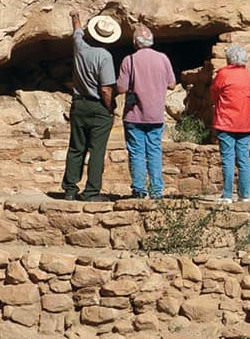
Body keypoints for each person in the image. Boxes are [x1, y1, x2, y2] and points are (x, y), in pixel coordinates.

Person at [60, 11, 120, 201]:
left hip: (79, 104)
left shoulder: (80, 47)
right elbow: (105, 89)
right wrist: (110, 108)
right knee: (97, 150)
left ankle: (70, 189)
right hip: (98, 107)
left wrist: (75, 16)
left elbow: (77, 31)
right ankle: (91, 191)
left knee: (76, 147)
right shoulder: (105, 57)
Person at [116, 23, 176, 199]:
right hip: (155, 114)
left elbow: (121, 88)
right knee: (154, 152)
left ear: (135, 42)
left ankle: (139, 189)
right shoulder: (163, 58)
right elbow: (172, 83)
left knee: (136, 152)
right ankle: (156, 190)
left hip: (134, 114)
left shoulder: (129, 60)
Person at [210, 44, 250, 203]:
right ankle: (244, 195)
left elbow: (214, 93)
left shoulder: (223, 74)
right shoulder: (248, 75)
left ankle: (227, 194)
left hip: (226, 121)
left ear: (229, 59)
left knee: (228, 158)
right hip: (244, 122)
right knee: (243, 158)